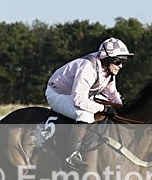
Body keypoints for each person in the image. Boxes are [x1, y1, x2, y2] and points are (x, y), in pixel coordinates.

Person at [45, 37, 133, 169]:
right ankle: (70, 156)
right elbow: (78, 100)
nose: (120, 65)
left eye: (123, 61)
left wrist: (122, 109)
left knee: (107, 107)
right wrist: (103, 108)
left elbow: (113, 94)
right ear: (106, 59)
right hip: (58, 93)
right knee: (85, 115)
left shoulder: (108, 72)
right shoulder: (88, 67)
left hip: (79, 93)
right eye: (118, 61)